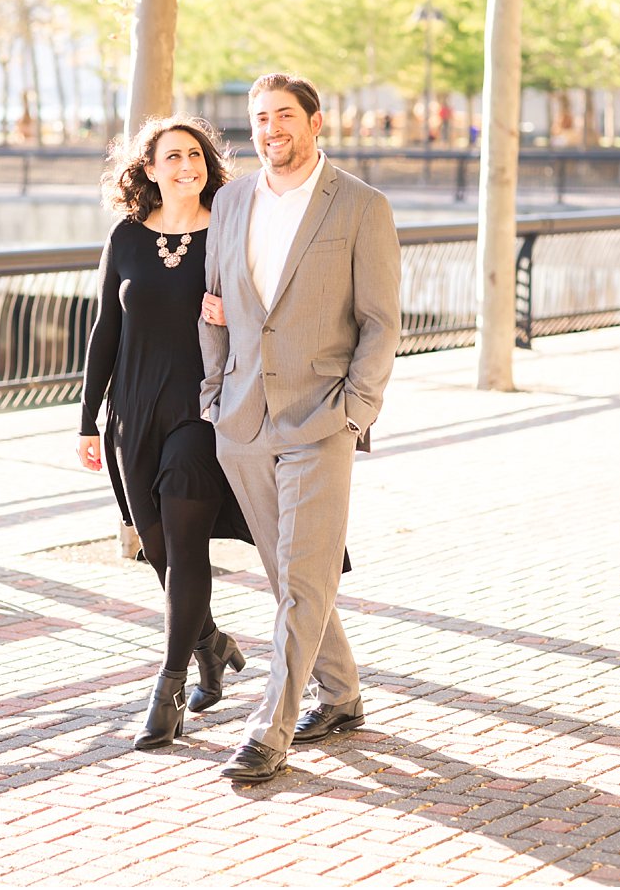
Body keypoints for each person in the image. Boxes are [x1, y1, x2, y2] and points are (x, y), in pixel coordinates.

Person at [199, 71, 401, 783]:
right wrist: (212, 395)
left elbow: (381, 323)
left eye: (284, 115)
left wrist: (355, 410)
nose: (270, 128)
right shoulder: (228, 202)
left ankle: (269, 729)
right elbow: (215, 305)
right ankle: (341, 693)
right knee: (289, 573)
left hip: (322, 418)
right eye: (259, 117)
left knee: (303, 580)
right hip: (242, 418)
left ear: (316, 123)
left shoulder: (362, 206)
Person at [78, 116, 255, 752]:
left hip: (200, 410)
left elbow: (268, 304)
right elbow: (105, 329)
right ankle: (212, 645)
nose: (186, 165)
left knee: (185, 544)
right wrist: (87, 418)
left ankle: (169, 686)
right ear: (148, 169)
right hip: (130, 411)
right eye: (171, 156)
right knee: (156, 549)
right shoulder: (125, 237)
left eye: (195, 154)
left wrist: (239, 311)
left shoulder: (232, 229)